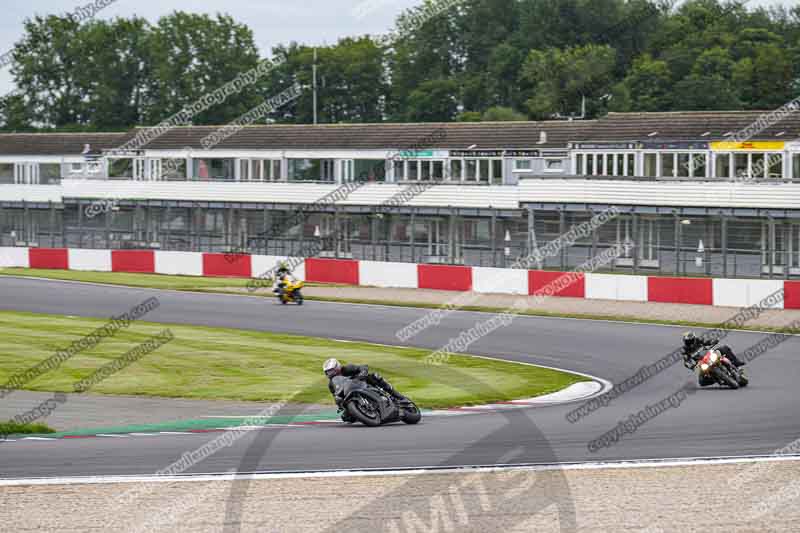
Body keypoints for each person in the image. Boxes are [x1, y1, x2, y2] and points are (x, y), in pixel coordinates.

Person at [323, 358, 406, 418]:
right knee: (347, 418)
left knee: (375, 376)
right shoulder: (331, 384)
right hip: (350, 394)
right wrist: (340, 403)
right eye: (328, 372)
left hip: (363, 383)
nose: (330, 374)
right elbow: (336, 395)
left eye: (332, 371)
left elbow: (363, 367)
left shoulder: (347, 369)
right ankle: (365, 412)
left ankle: (397, 395)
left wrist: (362, 374)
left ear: (338, 367)